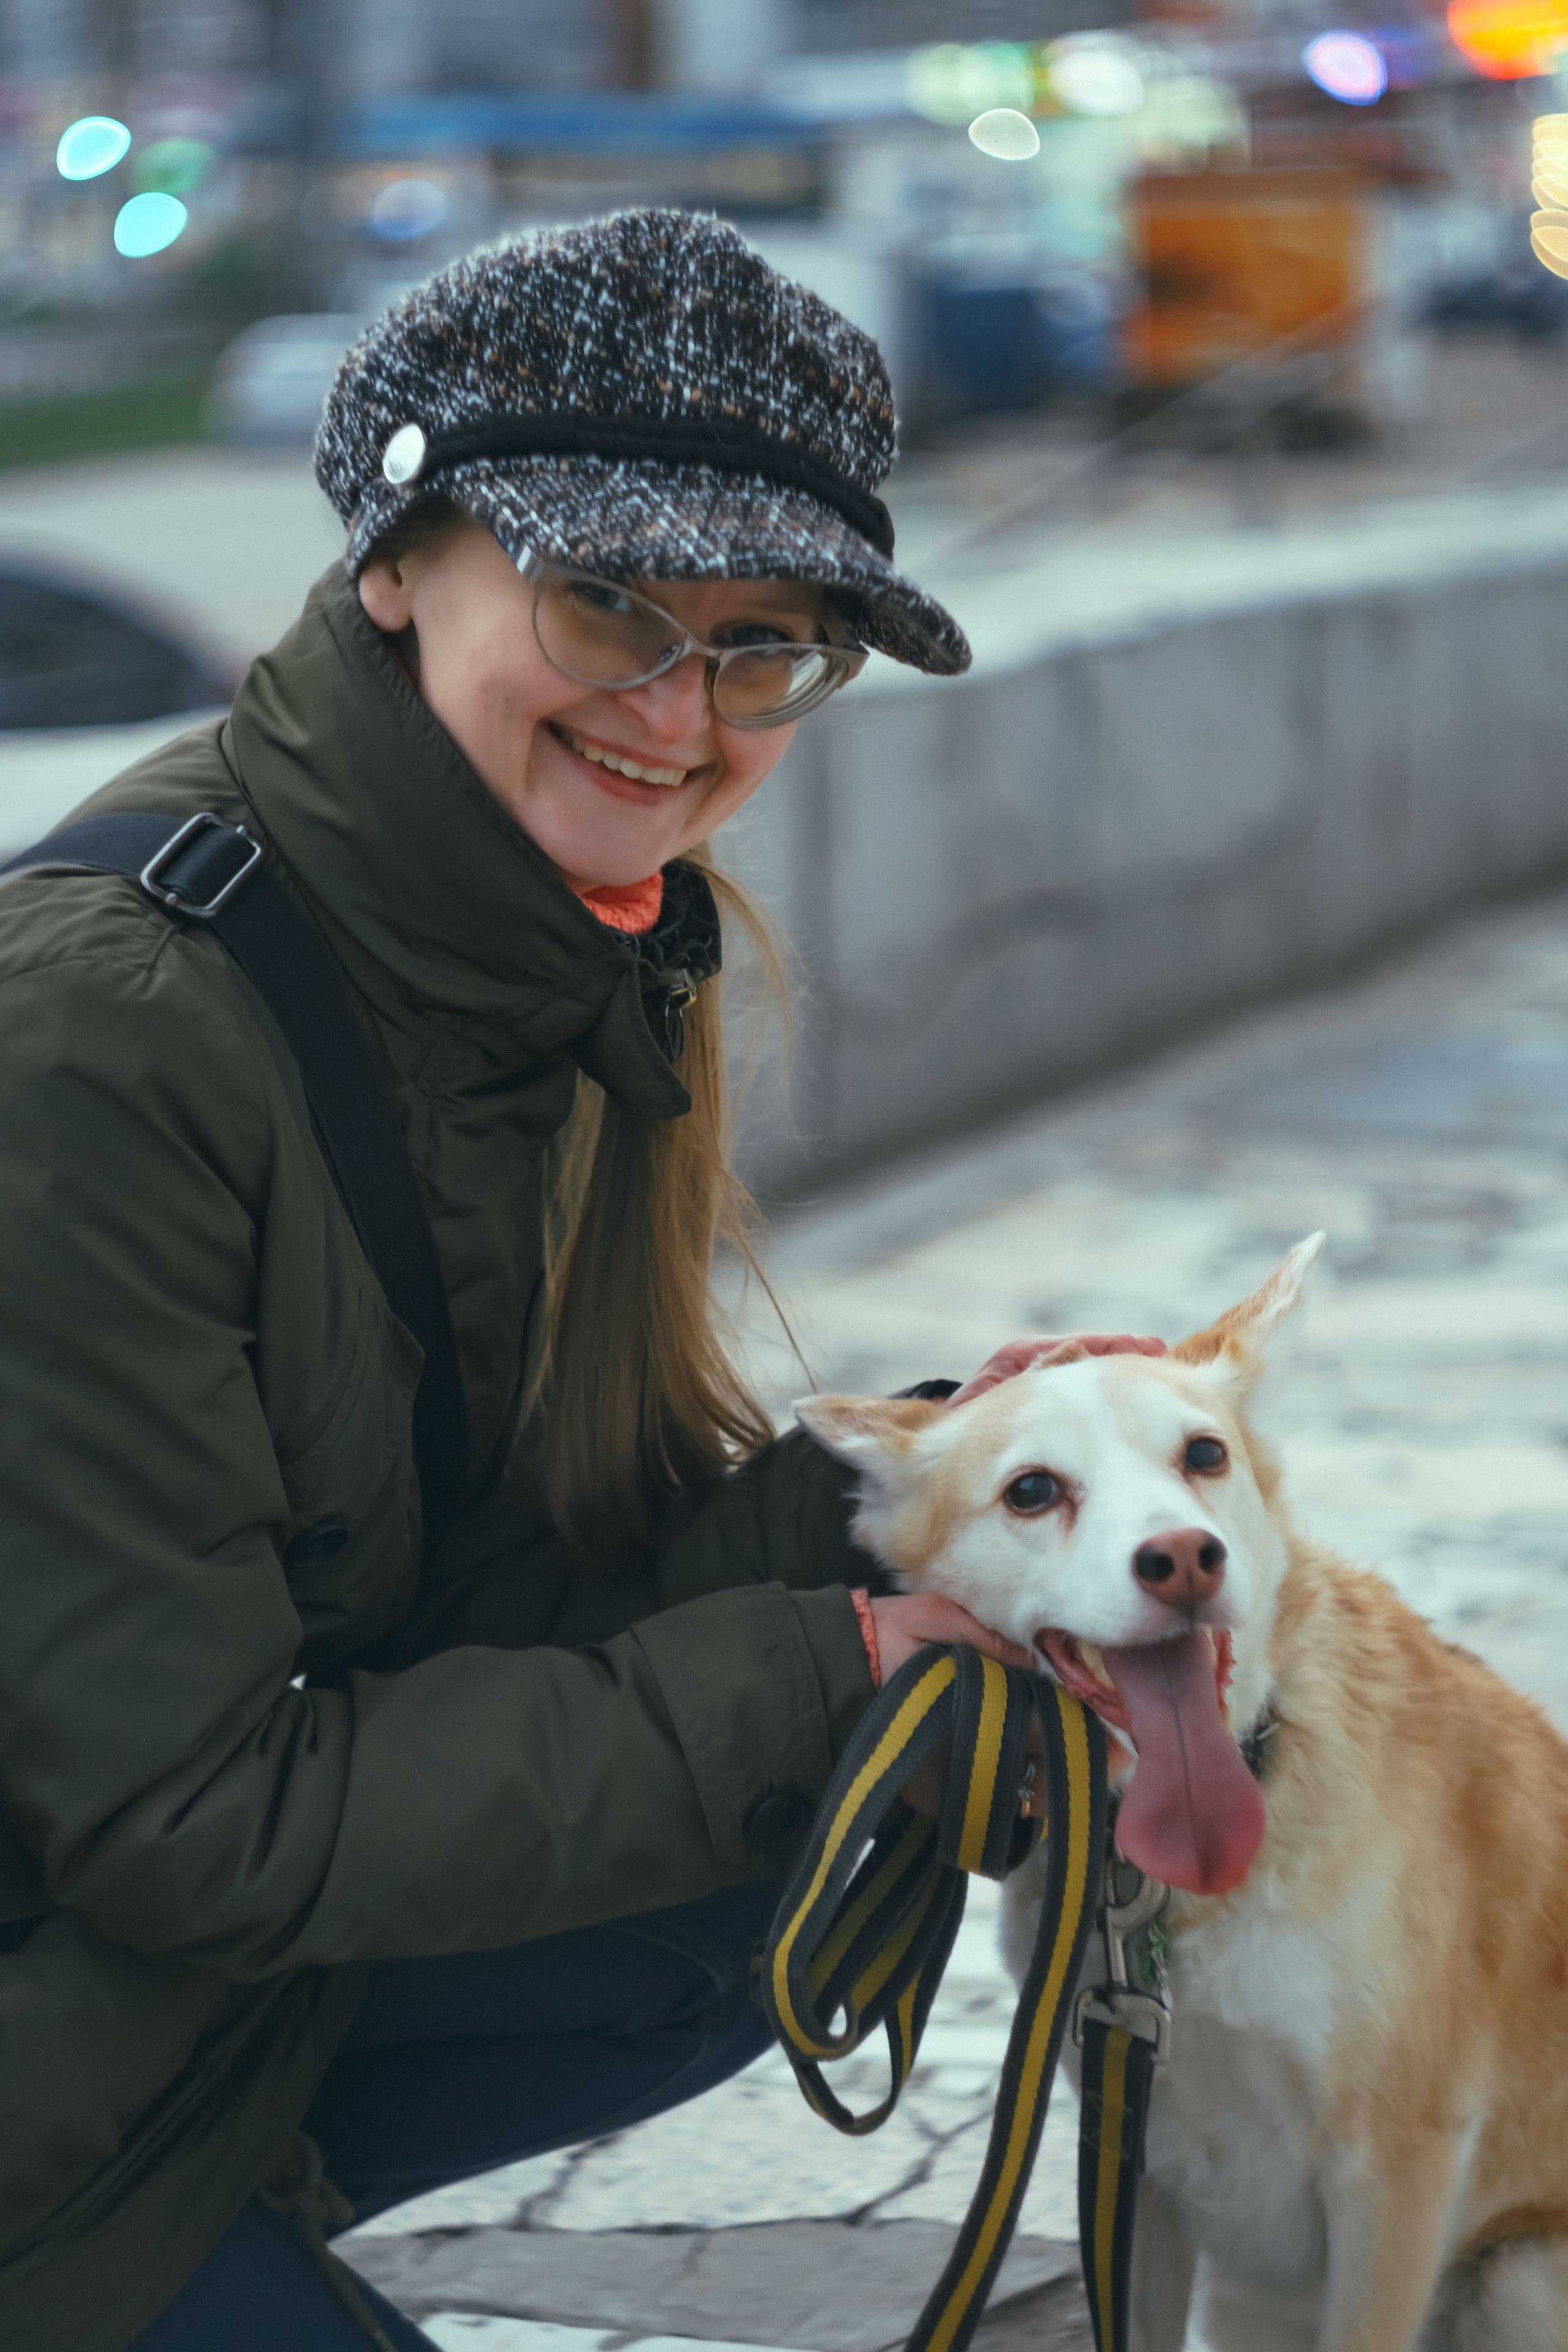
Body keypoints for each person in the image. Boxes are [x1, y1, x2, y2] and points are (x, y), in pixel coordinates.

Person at [0, 210, 1158, 2352]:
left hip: (171, 1991)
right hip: (75, 2026)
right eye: (606, 597)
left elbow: (500, 1589)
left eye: (764, 645)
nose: (679, 709)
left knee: (764, 1849)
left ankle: (240, 2199)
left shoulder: (574, 951)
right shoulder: (100, 1028)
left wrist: (942, 1480)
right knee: (798, 1730)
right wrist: (833, 1660)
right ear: (393, 557)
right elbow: (186, 1820)